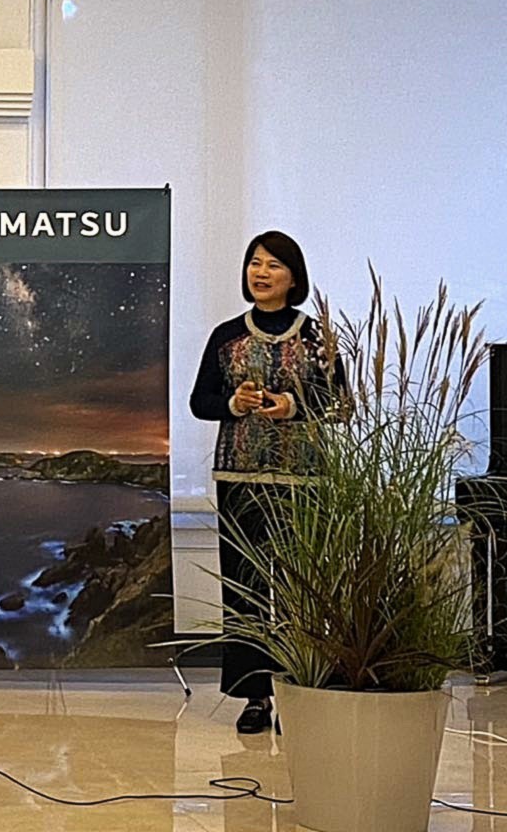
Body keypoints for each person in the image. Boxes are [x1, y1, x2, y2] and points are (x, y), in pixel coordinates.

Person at [189, 230, 344, 735]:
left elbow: (342, 403)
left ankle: (302, 691)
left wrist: (292, 406)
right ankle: (255, 695)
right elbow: (200, 402)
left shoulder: (318, 336)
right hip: (240, 477)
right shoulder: (226, 336)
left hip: (304, 480)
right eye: (255, 262)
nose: (261, 272)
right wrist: (235, 403)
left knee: (301, 588)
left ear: (293, 277)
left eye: (273, 265)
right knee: (246, 588)